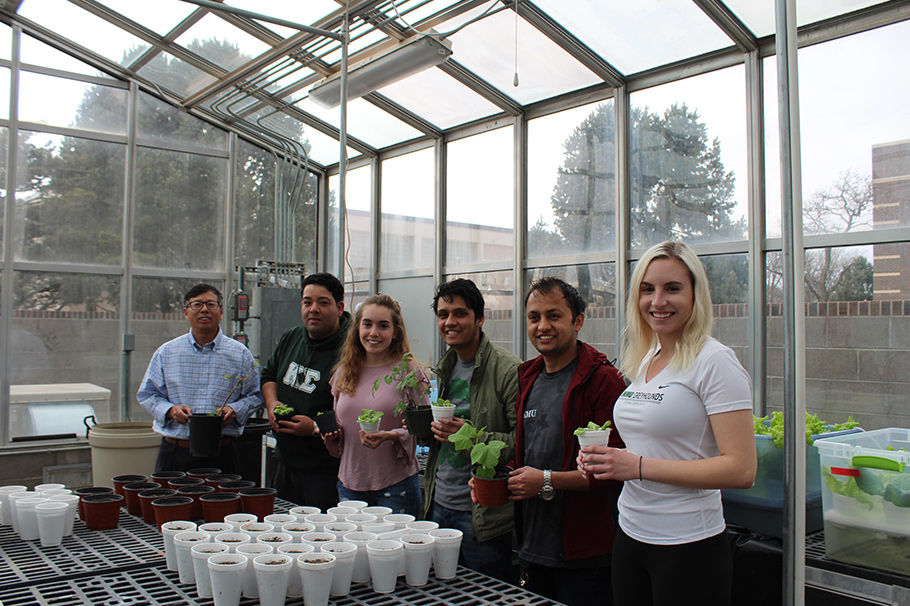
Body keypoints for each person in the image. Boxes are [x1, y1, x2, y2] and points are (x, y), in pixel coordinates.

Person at [577, 241, 757, 606]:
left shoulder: (715, 361)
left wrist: (637, 466)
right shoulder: (647, 358)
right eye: (648, 289)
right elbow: (653, 444)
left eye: (672, 288)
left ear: (695, 295)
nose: (658, 301)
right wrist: (610, 460)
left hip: (689, 543)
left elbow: (741, 470)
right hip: (631, 533)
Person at [501, 277, 626, 606]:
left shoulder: (602, 381)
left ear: (578, 321)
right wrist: (502, 478)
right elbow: (531, 451)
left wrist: (543, 480)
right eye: (534, 317)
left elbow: (613, 470)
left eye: (554, 316)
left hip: (585, 554)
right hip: (534, 545)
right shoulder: (528, 377)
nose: (543, 326)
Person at [423, 278, 521, 583]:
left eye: (460, 313)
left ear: (479, 318)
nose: (450, 321)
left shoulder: (508, 370)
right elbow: (440, 440)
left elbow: (524, 442)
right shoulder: (441, 369)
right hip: (438, 505)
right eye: (443, 314)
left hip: (482, 516)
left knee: (487, 591)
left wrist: (474, 438)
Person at [138, 284, 262, 474]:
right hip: (176, 452)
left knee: (223, 503)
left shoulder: (240, 354)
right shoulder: (167, 352)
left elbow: (256, 395)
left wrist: (235, 410)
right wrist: (171, 410)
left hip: (223, 453)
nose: (204, 309)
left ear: (221, 312)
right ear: (186, 312)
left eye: (211, 304)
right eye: (197, 304)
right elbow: (147, 394)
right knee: (172, 502)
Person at [322, 294, 426, 516]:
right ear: (357, 328)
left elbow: (423, 430)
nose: (373, 333)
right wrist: (333, 436)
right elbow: (342, 426)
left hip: (396, 486)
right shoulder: (343, 373)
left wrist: (391, 435)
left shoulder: (409, 373)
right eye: (367, 324)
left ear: (395, 332)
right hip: (350, 484)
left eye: (383, 326)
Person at [260, 273, 352, 512]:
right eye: (307, 302)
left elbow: (356, 412)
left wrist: (313, 428)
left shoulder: (351, 351)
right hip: (287, 463)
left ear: (339, 307)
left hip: (326, 472)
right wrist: (272, 404)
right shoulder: (292, 337)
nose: (314, 309)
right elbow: (268, 375)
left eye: (323, 302)